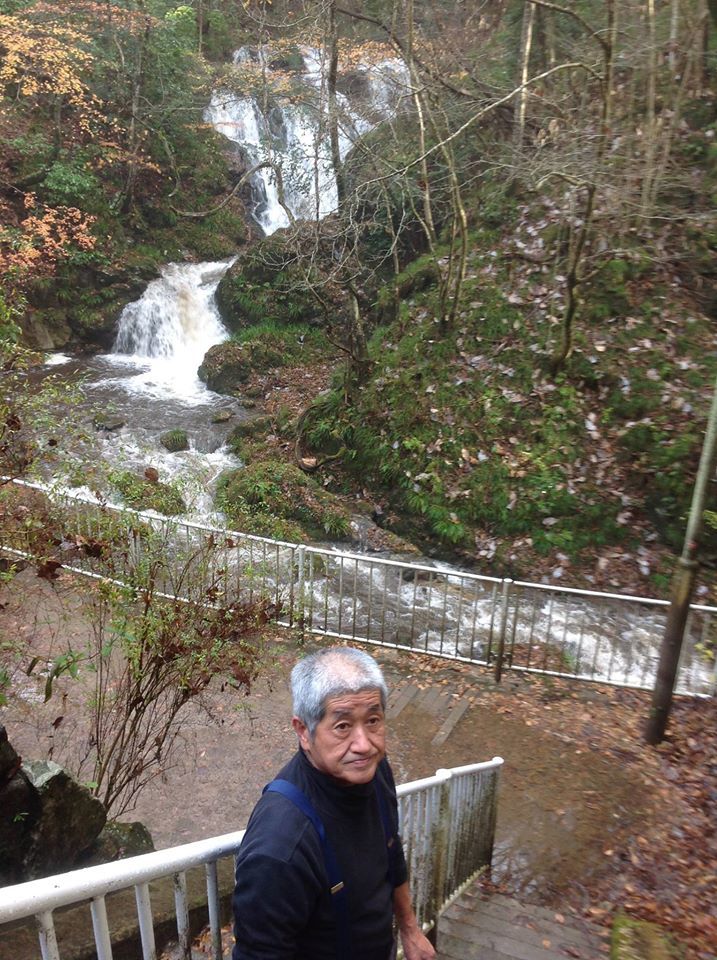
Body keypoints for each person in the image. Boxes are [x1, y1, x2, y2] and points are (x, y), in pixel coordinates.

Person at [231, 645, 436, 960]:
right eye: (342, 726)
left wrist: (408, 927)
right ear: (303, 731)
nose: (364, 745)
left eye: (373, 720)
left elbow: (391, 850)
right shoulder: (281, 846)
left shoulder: (375, 771)